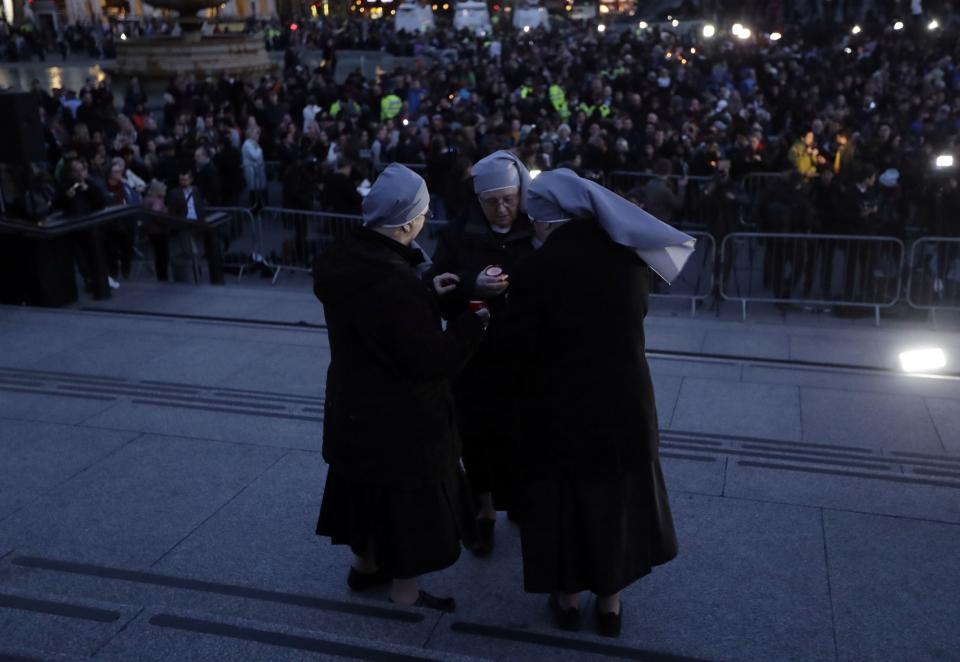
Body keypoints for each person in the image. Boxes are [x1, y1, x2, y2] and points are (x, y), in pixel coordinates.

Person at [495, 168, 694, 637]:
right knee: (615, 503)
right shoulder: (628, 258)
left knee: (564, 504)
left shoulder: (536, 270)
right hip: (622, 405)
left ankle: (566, 599)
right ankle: (610, 604)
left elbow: (519, 345)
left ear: (547, 217)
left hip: (558, 410)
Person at [313, 163, 488, 612]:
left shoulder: (347, 261)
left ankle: (366, 566)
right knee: (405, 502)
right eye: (424, 214)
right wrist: (470, 326)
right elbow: (430, 361)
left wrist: (425, 286)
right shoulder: (393, 283)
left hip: (354, 406)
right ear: (407, 222)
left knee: (366, 489)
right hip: (401, 420)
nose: (427, 221)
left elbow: (378, 327)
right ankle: (405, 592)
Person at [429, 149, 536, 557]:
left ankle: (519, 501)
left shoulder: (534, 228)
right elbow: (438, 285)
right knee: (476, 438)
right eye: (492, 201)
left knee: (522, 434)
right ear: (478, 199)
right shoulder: (458, 233)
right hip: (474, 357)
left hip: (523, 356)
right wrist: (474, 283)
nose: (503, 208)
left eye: (509, 198)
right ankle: (485, 510)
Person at [242, 125, 267, 210]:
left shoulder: (254, 144)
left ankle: (260, 208)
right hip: (252, 172)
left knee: (259, 191)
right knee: (254, 192)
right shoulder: (247, 144)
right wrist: (259, 149)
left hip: (258, 172)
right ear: (251, 134)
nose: (258, 136)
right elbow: (255, 156)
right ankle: (255, 210)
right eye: (256, 133)